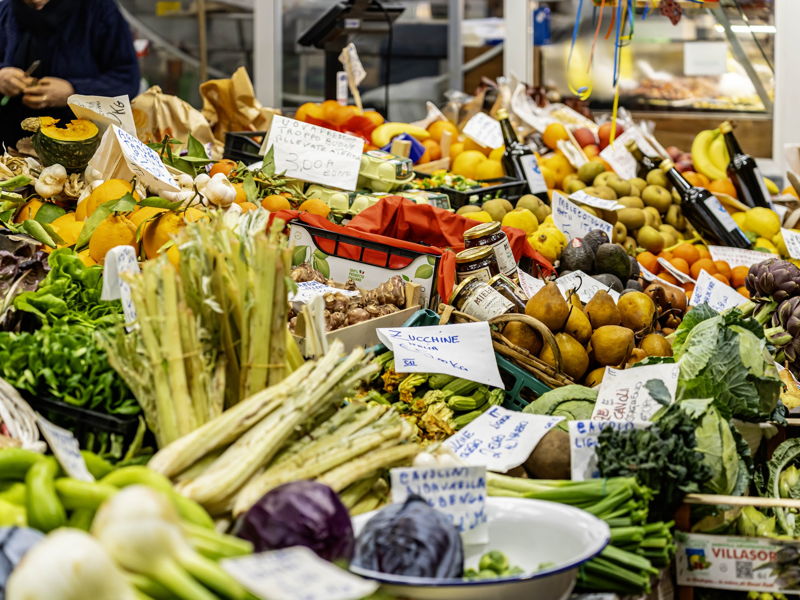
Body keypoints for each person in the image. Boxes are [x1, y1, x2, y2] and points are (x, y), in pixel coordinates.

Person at [0, 0, 140, 148]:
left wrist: (73, 91)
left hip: (82, 147)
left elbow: (127, 80)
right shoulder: (5, 11)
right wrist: (2, 75)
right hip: (10, 145)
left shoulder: (99, 9)